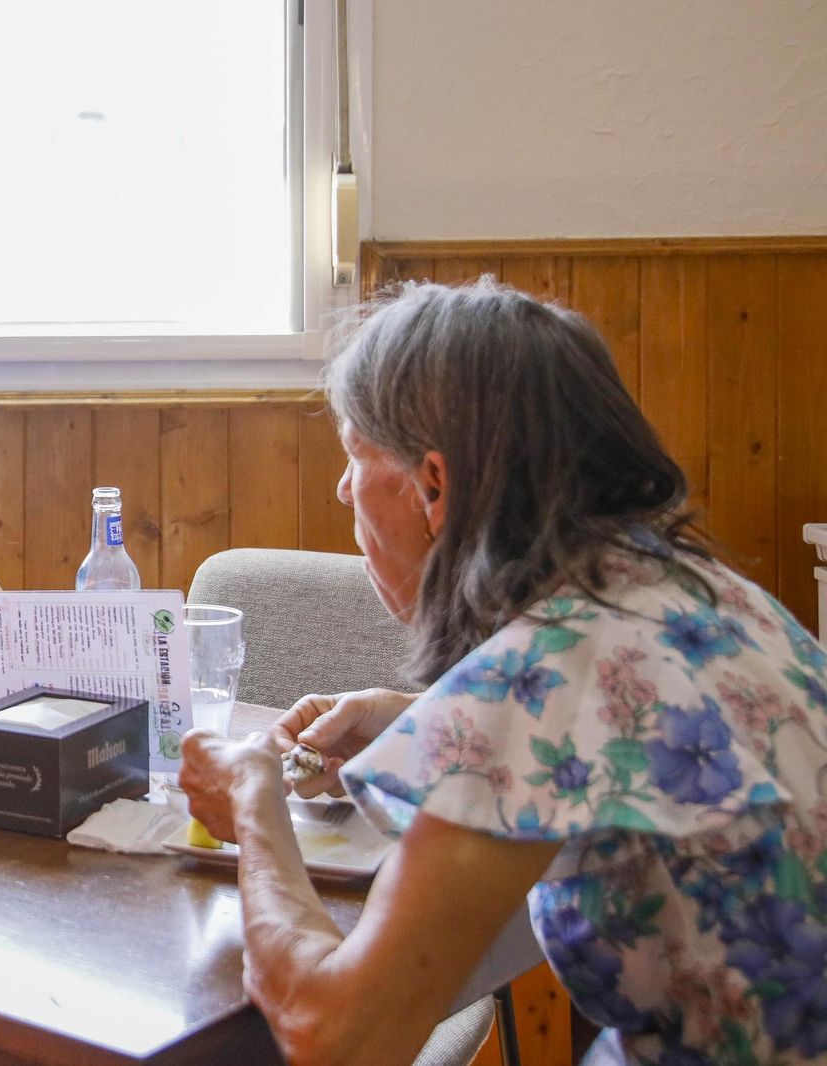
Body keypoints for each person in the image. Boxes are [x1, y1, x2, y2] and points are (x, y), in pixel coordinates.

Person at [180, 279, 827, 1065]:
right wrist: (414, 715)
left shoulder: (531, 686)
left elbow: (335, 1035)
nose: (342, 487)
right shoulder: (693, 587)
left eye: (355, 454)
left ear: (435, 487)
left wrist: (253, 800)